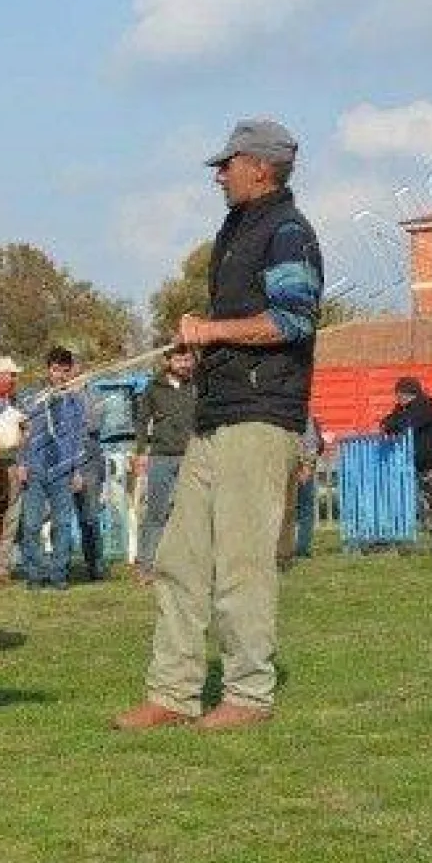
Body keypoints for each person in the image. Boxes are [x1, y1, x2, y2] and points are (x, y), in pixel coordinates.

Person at [114, 117, 322, 732]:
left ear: (260, 166)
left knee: (242, 566)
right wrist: (209, 329)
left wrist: (211, 331)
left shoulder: (287, 231)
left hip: (261, 419)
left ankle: (248, 695)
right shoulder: (237, 227)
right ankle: (172, 694)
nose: (218, 173)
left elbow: (295, 319)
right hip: (215, 416)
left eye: (226, 163)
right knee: (177, 560)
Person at [18, 346, 89, 591]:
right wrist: (21, 463)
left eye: (64, 370)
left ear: (70, 372)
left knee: (63, 524)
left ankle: (59, 574)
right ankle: (35, 575)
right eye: (55, 369)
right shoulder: (32, 398)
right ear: (48, 369)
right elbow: (23, 434)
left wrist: (78, 470)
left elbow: (80, 437)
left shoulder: (76, 401)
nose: (59, 375)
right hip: (35, 467)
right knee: (31, 524)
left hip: (64, 471)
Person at [132, 344, 196, 583]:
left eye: (188, 359)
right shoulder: (153, 387)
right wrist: (140, 452)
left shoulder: (198, 385)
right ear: (168, 360)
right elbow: (141, 421)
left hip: (191, 457)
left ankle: (186, 566)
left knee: (189, 513)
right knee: (156, 513)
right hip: (161, 455)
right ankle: (146, 565)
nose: (185, 364)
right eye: (180, 360)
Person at [381, 375, 432, 556]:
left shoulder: (425, 405)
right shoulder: (403, 409)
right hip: (426, 465)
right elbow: (387, 422)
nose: (398, 398)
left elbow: (405, 423)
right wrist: (391, 423)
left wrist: (393, 423)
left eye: (400, 394)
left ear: (407, 394)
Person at [0, 356, 26, 582]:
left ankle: (0, 568)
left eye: (14, 375)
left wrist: (22, 463)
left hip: (11, 464)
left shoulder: (17, 401)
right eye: (11, 374)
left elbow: (24, 436)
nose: (14, 378)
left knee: (10, 518)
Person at [72, 361, 107, 581]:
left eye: (76, 370)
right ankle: (61, 566)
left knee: (90, 517)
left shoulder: (95, 395)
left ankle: (94, 563)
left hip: (90, 462)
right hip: (60, 462)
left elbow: (93, 423)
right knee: (61, 519)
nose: (73, 374)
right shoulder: (54, 396)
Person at [281, 414, 323, 562]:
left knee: (299, 508)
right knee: (299, 509)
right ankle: (293, 550)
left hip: (295, 464)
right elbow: (312, 442)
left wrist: (307, 466)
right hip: (294, 464)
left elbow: (311, 441)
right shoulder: (302, 412)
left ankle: (300, 549)